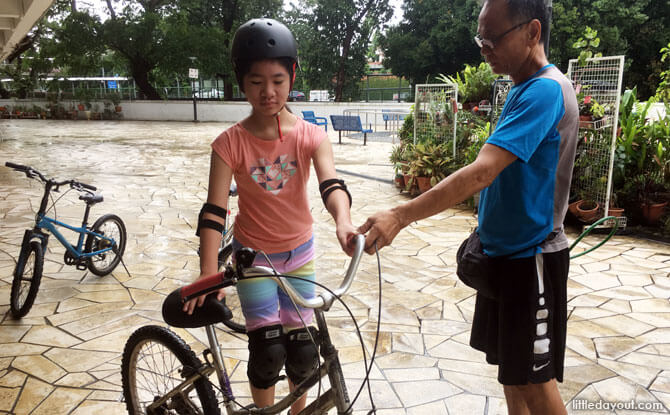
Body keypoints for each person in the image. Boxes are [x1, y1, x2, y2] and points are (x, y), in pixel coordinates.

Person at [358, 0, 578, 414]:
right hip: (505, 257)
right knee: (512, 374)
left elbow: (482, 173)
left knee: (535, 381)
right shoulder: (522, 87)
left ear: (533, 32)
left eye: (493, 39)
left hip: (532, 259)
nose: (484, 49)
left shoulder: (546, 91)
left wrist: (401, 215)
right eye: (481, 39)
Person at [182, 18, 357, 414]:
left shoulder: (312, 136)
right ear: (241, 82)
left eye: (278, 79)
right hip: (254, 259)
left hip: (300, 254)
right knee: (267, 352)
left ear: (292, 76)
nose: (269, 92)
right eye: (257, 81)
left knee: (302, 352)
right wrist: (209, 271)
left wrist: (343, 222)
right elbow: (214, 211)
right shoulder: (229, 143)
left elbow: (331, 185)